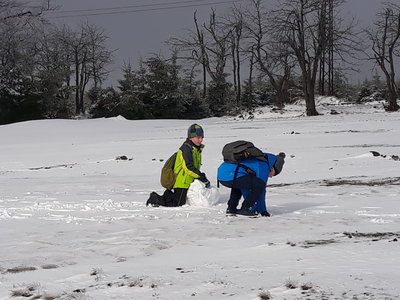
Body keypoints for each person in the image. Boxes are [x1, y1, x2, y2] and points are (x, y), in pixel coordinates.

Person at [146, 124, 210, 207]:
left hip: (187, 180)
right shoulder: (186, 149)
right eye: (198, 137)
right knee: (177, 204)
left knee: (179, 202)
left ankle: (167, 194)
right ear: (190, 137)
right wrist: (200, 176)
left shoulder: (195, 149)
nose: (200, 140)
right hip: (181, 182)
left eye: (202, 137)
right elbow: (188, 167)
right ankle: (155, 199)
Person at [217, 151, 285, 217]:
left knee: (239, 184)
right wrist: (263, 211)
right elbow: (261, 189)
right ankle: (246, 208)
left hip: (222, 175)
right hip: (230, 175)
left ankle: (231, 208)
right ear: (272, 168)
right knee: (259, 185)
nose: (271, 176)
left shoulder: (259, 158)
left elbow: (246, 187)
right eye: (273, 174)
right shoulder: (263, 165)